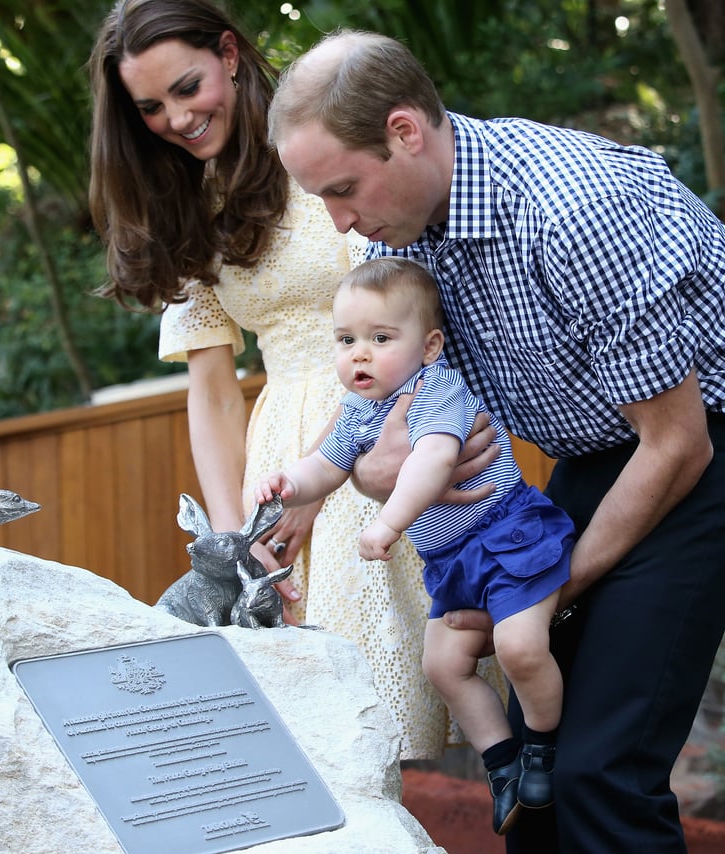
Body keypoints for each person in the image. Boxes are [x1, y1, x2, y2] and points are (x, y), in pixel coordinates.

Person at [268, 29, 725, 854]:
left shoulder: (571, 207)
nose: (340, 223)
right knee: (536, 772)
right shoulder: (392, 244)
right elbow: (376, 432)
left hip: (709, 442)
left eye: (342, 189)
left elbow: (677, 442)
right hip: (590, 454)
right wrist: (320, 495)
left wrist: (548, 588)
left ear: (405, 132)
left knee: (603, 765)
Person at [85, 1, 509, 761]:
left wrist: (324, 482)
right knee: (298, 728)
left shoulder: (320, 153)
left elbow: (393, 326)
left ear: (230, 54)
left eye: (187, 87)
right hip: (276, 454)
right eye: (150, 107)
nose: (176, 118)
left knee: (390, 709)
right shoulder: (185, 205)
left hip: (381, 424)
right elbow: (211, 387)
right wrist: (233, 536)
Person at [256, 256, 576, 834]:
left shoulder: (439, 388)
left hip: (503, 536)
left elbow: (430, 461)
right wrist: (289, 484)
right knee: (442, 664)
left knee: (520, 647)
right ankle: (501, 764)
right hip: (452, 559)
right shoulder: (361, 408)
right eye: (346, 339)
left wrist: (388, 524)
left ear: (428, 347)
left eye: (380, 339)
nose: (359, 353)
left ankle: (541, 750)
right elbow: (326, 465)